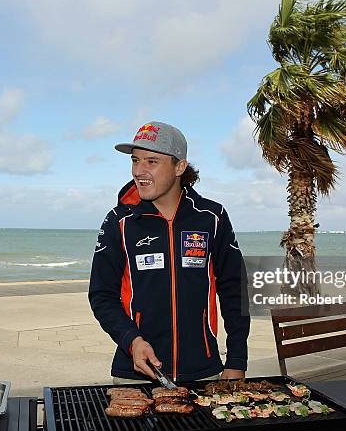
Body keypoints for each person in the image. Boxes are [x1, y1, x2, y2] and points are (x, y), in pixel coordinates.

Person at [88, 121, 250, 382]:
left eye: (151, 161)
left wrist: (237, 360)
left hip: (203, 372)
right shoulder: (119, 221)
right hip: (135, 373)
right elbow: (101, 295)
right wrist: (132, 341)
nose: (139, 170)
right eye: (135, 160)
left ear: (179, 166)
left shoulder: (212, 217)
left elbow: (235, 290)